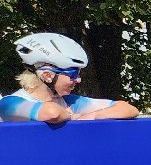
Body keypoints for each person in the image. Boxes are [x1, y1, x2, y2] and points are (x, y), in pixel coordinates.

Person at [3, 34, 138, 123]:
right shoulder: (9, 103)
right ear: (47, 76)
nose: (78, 80)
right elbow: (52, 113)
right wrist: (72, 116)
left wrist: (89, 117)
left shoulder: (69, 101)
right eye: (73, 74)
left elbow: (128, 109)